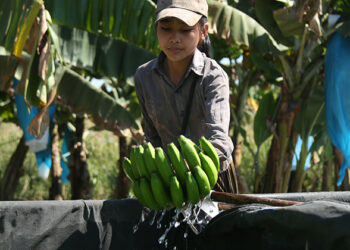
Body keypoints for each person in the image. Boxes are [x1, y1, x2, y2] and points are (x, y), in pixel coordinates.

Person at [134, 0, 238, 194]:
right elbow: (153, 137)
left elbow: (219, 141)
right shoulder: (144, 76)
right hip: (167, 179)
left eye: (185, 30)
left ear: (203, 31)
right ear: (156, 28)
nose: (174, 38)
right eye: (166, 28)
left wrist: (192, 168)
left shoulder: (213, 76)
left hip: (212, 177)